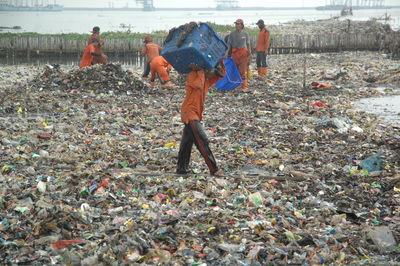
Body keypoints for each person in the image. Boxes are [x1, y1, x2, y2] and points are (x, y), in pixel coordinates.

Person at [176, 63, 225, 176]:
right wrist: (200, 71)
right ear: (207, 70)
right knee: (202, 141)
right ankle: (214, 169)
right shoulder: (194, 75)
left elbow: (220, 75)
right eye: (212, 72)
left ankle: (181, 169)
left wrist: (221, 61)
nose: (213, 75)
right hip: (190, 113)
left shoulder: (206, 80)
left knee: (186, 143)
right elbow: (197, 85)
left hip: (195, 113)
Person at [225, 18, 251, 91]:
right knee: (235, 70)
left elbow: (248, 44)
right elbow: (229, 45)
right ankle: (235, 85)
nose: (236, 25)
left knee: (242, 70)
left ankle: (244, 86)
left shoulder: (245, 34)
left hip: (243, 53)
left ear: (242, 25)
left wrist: (250, 54)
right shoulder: (232, 34)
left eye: (238, 24)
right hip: (235, 53)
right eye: (236, 24)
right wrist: (226, 53)